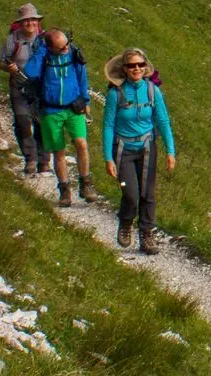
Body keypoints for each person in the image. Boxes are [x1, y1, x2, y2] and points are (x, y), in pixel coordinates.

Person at [102, 49, 177, 254]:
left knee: (148, 194)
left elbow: (163, 121)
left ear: (145, 67)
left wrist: (170, 151)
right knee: (130, 192)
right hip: (123, 151)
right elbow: (108, 126)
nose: (136, 69)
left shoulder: (153, 91)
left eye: (140, 65)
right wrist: (108, 158)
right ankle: (126, 223)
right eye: (132, 66)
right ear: (124, 69)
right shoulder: (115, 94)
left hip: (146, 149)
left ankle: (146, 235)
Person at [24, 29, 100, 206]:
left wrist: (85, 100)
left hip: (74, 107)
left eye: (67, 44)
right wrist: (42, 50)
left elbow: (82, 77)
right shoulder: (43, 57)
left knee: (81, 143)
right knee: (59, 152)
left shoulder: (73, 53)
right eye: (61, 48)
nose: (66, 49)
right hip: (51, 111)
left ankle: (85, 184)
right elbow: (31, 71)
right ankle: (64, 190)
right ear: (50, 47)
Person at [0, 4, 46, 175]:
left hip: (41, 86)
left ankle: (43, 160)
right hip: (19, 85)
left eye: (33, 20)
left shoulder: (45, 39)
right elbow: (1, 62)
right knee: (22, 121)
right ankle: (30, 159)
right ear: (20, 23)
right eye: (26, 20)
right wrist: (8, 68)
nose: (30, 23)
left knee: (41, 122)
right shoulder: (12, 41)